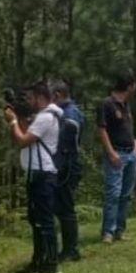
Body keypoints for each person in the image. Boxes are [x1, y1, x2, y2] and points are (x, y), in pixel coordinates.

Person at [4, 82, 60, 273]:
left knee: (44, 221)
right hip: (36, 173)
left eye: (30, 98)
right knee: (36, 219)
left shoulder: (45, 117)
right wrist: (18, 116)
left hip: (42, 174)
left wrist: (12, 122)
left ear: (40, 97)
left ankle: (51, 264)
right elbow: (27, 129)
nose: (28, 102)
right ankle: (39, 261)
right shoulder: (42, 117)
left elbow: (22, 140)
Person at [97, 71, 136, 243]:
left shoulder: (126, 104)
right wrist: (111, 152)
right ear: (129, 86)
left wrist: (135, 141)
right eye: (134, 84)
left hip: (131, 153)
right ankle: (108, 231)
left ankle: (120, 230)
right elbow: (101, 129)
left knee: (126, 194)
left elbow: (126, 127)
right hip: (116, 153)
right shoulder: (107, 104)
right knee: (113, 193)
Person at [51, 79, 85, 262]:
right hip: (62, 164)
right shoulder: (62, 113)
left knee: (66, 207)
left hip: (67, 165)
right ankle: (67, 247)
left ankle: (71, 249)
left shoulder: (70, 113)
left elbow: (69, 133)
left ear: (57, 95)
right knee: (61, 207)